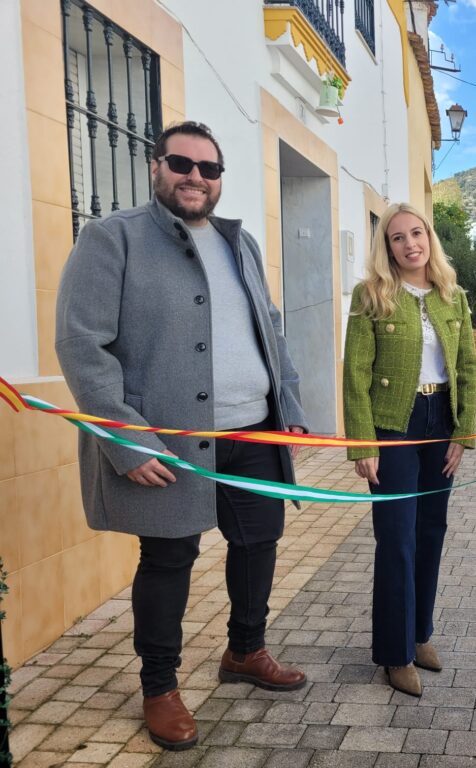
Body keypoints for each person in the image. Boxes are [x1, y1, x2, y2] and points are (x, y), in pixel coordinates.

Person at [55, 121, 308, 751]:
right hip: (167, 444)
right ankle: (160, 687)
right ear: (155, 167)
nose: (196, 177)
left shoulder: (239, 245)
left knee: (260, 542)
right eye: (182, 163)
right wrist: (126, 441)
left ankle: (246, 651)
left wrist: (291, 410)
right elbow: (82, 346)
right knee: (168, 559)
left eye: (210, 168)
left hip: (255, 432)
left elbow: (272, 334)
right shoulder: (111, 239)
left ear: (220, 179)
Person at [343, 202, 476, 698]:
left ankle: (420, 634)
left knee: (431, 532)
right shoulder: (371, 296)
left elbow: (466, 368)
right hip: (393, 427)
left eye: (416, 233)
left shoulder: (452, 295)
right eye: (397, 237)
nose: (409, 244)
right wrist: (363, 442)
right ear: (387, 246)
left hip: (439, 420)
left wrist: (463, 435)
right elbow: (354, 372)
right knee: (396, 538)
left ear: (429, 238)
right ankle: (394, 654)